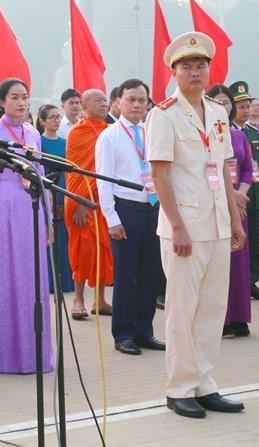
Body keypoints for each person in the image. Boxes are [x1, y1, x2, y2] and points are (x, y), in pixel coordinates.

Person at [147, 32, 246, 419]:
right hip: (184, 225)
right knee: (182, 310)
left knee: (212, 308)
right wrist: (177, 226)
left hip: (218, 223)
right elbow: (160, 175)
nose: (195, 71)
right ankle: (180, 387)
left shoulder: (218, 112)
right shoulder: (164, 114)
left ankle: (205, 383)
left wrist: (235, 221)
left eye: (201, 65)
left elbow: (223, 169)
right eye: (187, 66)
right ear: (174, 71)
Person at [0, 78, 53, 373]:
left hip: (31, 205)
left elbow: (42, 173)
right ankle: (4, 356)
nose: (21, 103)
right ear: (2, 101)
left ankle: (35, 354)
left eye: (25, 97)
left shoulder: (33, 133)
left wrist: (47, 217)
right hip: (4, 203)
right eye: (15, 97)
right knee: (5, 278)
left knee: (33, 279)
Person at [95, 79, 164, 355]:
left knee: (150, 274)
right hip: (126, 209)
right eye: (131, 100)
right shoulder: (109, 136)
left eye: (142, 100)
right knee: (126, 274)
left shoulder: (153, 132)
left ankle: (144, 331)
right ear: (118, 102)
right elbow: (104, 181)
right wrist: (112, 218)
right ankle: (123, 333)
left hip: (154, 208)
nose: (137, 105)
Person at [207, 85, 253, 338]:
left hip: (239, 205)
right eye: (217, 102)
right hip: (216, 203)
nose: (223, 107)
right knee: (219, 264)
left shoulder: (239, 136)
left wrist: (241, 193)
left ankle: (240, 317)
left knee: (239, 263)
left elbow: (247, 168)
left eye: (226, 102)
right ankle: (221, 320)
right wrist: (229, 194)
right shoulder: (206, 135)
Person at [65, 88, 113, 319]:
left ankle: (100, 300)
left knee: (104, 249)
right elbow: (75, 172)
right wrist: (81, 200)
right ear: (85, 107)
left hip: (104, 199)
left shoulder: (110, 131)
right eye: (97, 100)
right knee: (82, 250)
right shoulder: (77, 133)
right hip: (81, 200)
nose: (104, 104)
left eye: (105, 100)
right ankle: (78, 299)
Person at [229, 81, 259, 301]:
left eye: (248, 105)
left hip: (253, 194)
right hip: (232, 194)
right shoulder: (226, 131)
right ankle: (239, 283)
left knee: (254, 241)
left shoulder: (252, 132)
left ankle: (252, 280)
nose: (246, 110)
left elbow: (258, 167)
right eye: (241, 106)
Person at [36, 104, 74, 295]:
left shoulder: (65, 142)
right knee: (47, 234)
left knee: (63, 236)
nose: (56, 121)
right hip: (45, 189)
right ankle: (48, 280)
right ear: (42, 120)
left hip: (63, 190)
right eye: (52, 117)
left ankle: (65, 280)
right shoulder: (38, 142)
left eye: (58, 117)